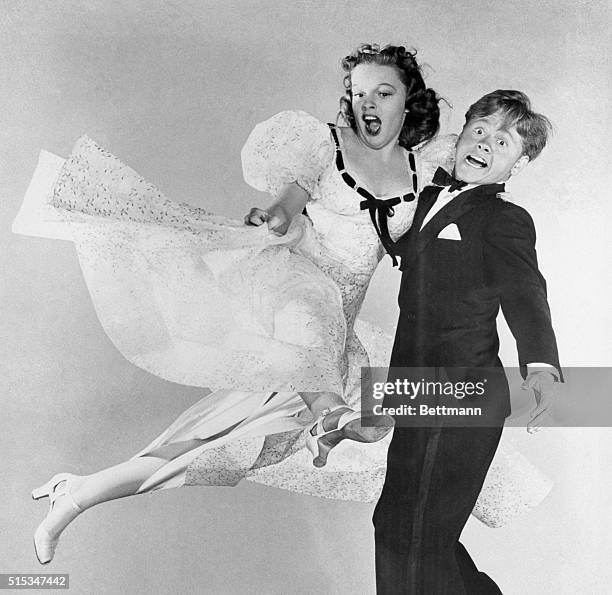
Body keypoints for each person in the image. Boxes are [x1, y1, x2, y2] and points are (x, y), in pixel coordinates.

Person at [19, 43, 449, 565]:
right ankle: (330, 416)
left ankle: (77, 494)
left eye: (384, 92)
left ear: (410, 99)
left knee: (215, 447)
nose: (369, 105)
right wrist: (271, 218)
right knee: (315, 336)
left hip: (336, 328)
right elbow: (287, 207)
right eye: (358, 94)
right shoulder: (323, 147)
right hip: (291, 287)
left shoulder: (424, 171)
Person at [372, 90, 561, 594]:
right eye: (480, 130)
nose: (485, 143)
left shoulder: (504, 219)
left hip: (464, 393)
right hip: (414, 390)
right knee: (398, 526)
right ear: (461, 136)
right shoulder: (430, 197)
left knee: (417, 535)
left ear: (516, 164)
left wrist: (541, 367)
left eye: (503, 141)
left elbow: (526, 293)